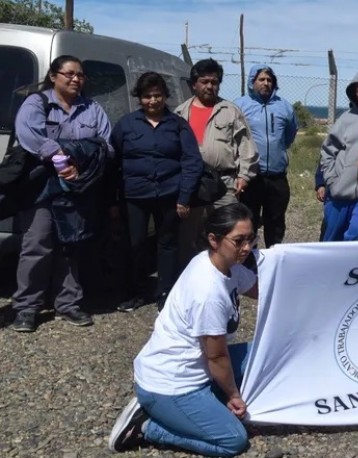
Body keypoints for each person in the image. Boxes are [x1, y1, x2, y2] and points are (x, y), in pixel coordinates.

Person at [108, 203, 259, 457]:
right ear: (214, 239)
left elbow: (259, 290)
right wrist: (233, 395)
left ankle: (200, 406)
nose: (246, 248)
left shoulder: (223, 264)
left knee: (261, 352)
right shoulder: (208, 292)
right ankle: (145, 426)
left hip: (195, 368)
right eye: (239, 240)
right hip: (172, 384)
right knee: (234, 440)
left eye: (251, 239)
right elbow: (217, 357)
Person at [10, 55, 112, 332]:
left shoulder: (92, 108)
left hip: (78, 187)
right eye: (69, 74)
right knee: (37, 245)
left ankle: (69, 303)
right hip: (42, 187)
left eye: (80, 75)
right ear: (54, 76)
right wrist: (60, 159)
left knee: (71, 245)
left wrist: (81, 160)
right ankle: (26, 308)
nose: (76, 79)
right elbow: (29, 135)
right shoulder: (36, 103)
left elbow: (106, 143)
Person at [111, 72, 204, 312]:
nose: (153, 101)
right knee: (135, 244)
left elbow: (191, 162)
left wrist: (184, 197)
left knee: (168, 244)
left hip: (169, 194)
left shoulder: (177, 125)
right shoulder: (126, 125)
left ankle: (165, 292)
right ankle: (134, 291)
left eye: (158, 95)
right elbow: (113, 162)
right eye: (147, 96)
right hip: (134, 196)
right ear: (139, 98)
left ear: (165, 96)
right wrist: (112, 199)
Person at [175, 58, 258, 267]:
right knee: (189, 236)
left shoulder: (230, 110)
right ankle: (193, 277)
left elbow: (246, 144)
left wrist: (244, 175)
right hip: (192, 185)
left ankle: (233, 275)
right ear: (194, 84)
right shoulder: (180, 113)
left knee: (229, 233)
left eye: (214, 82)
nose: (210, 86)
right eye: (204, 81)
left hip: (225, 184)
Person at [234, 65, 298, 248]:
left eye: (269, 80)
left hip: (277, 176)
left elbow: (289, 134)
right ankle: (249, 261)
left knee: (276, 221)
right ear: (252, 82)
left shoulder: (284, 106)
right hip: (252, 176)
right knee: (249, 220)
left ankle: (273, 257)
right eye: (261, 79)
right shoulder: (240, 106)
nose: (266, 83)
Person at [319, 70, 358, 241]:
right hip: (339, 194)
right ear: (354, 95)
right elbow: (327, 151)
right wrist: (332, 180)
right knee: (331, 239)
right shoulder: (345, 119)